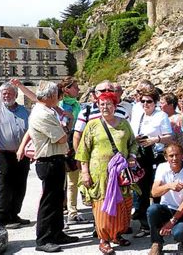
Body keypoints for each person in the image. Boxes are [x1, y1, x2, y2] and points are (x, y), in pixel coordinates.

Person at [75, 92, 137, 254]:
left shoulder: (124, 124)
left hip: (120, 175)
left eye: (108, 104)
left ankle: (117, 235)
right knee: (103, 208)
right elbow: (83, 150)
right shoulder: (92, 125)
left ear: (115, 106)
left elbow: (133, 144)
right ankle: (104, 239)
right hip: (100, 175)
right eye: (102, 104)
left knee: (123, 206)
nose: (105, 107)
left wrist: (131, 156)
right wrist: (85, 172)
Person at [28, 81, 79, 253]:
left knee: (57, 200)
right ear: (50, 96)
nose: (59, 98)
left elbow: (62, 134)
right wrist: (64, 128)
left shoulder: (47, 111)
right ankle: (43, 239)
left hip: (55, 159)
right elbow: (62, 138)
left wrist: (64, 127)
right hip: (48, 161)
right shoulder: (43, 114)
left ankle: (57, 233)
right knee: (49, 203)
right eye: (58, 95)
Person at [131, 89, 173, 238]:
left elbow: (169, 137)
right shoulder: (138, 115)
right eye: (142, 101)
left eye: (149, 101)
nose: (145, 104)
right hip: (141, 156)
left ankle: (159, 223)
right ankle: (144, 225)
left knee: (157, 190)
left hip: (156, 155)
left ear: (155, 103)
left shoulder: (161, 116)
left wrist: (155, 140)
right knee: (141, 190)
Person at [147, 143, 183, 255]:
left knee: (179, 233)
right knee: (152, 210)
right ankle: (156, 243)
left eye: (177, 155)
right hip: (167, 208)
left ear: (182, 155)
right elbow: (154, 192)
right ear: (166, 157)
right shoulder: (162, 167)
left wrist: (171, 222)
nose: (174, 158)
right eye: (171, 156)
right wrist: (169, 185)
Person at [0, 82, 30, 229]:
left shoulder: (24, 111)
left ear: (16, 95)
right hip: (3, 155)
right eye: (4, 93)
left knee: (20, 186)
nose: (6, 95)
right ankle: (1, 220)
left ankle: (14, 214)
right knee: (3, 187)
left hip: (22, 154)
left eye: (9, 93)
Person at [57, 76, 89, 225]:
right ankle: (64, 212)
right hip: (65, 145)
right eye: (75, 87)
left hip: (74, 144)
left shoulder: (77, 105)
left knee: (72, 181)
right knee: (62, 181)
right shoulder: (61, 106)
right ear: (66, 89)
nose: (78, 89)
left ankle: (72, 211)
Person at [73, 80, 130, 151]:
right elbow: (77, 135)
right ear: (96, 93)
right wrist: (79, 158)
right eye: (103, 90)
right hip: (94, 156)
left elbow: (129, 135)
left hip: (119, 156)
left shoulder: (122, 111)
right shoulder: (86, 112)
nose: (107, 92)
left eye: (110, 90)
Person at [160, 92, 183, 161]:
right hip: (164, 155)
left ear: (171, 105)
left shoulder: (179, 119)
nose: (160, 105)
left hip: (177, 156)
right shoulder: (162, 118)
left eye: (162, 103)